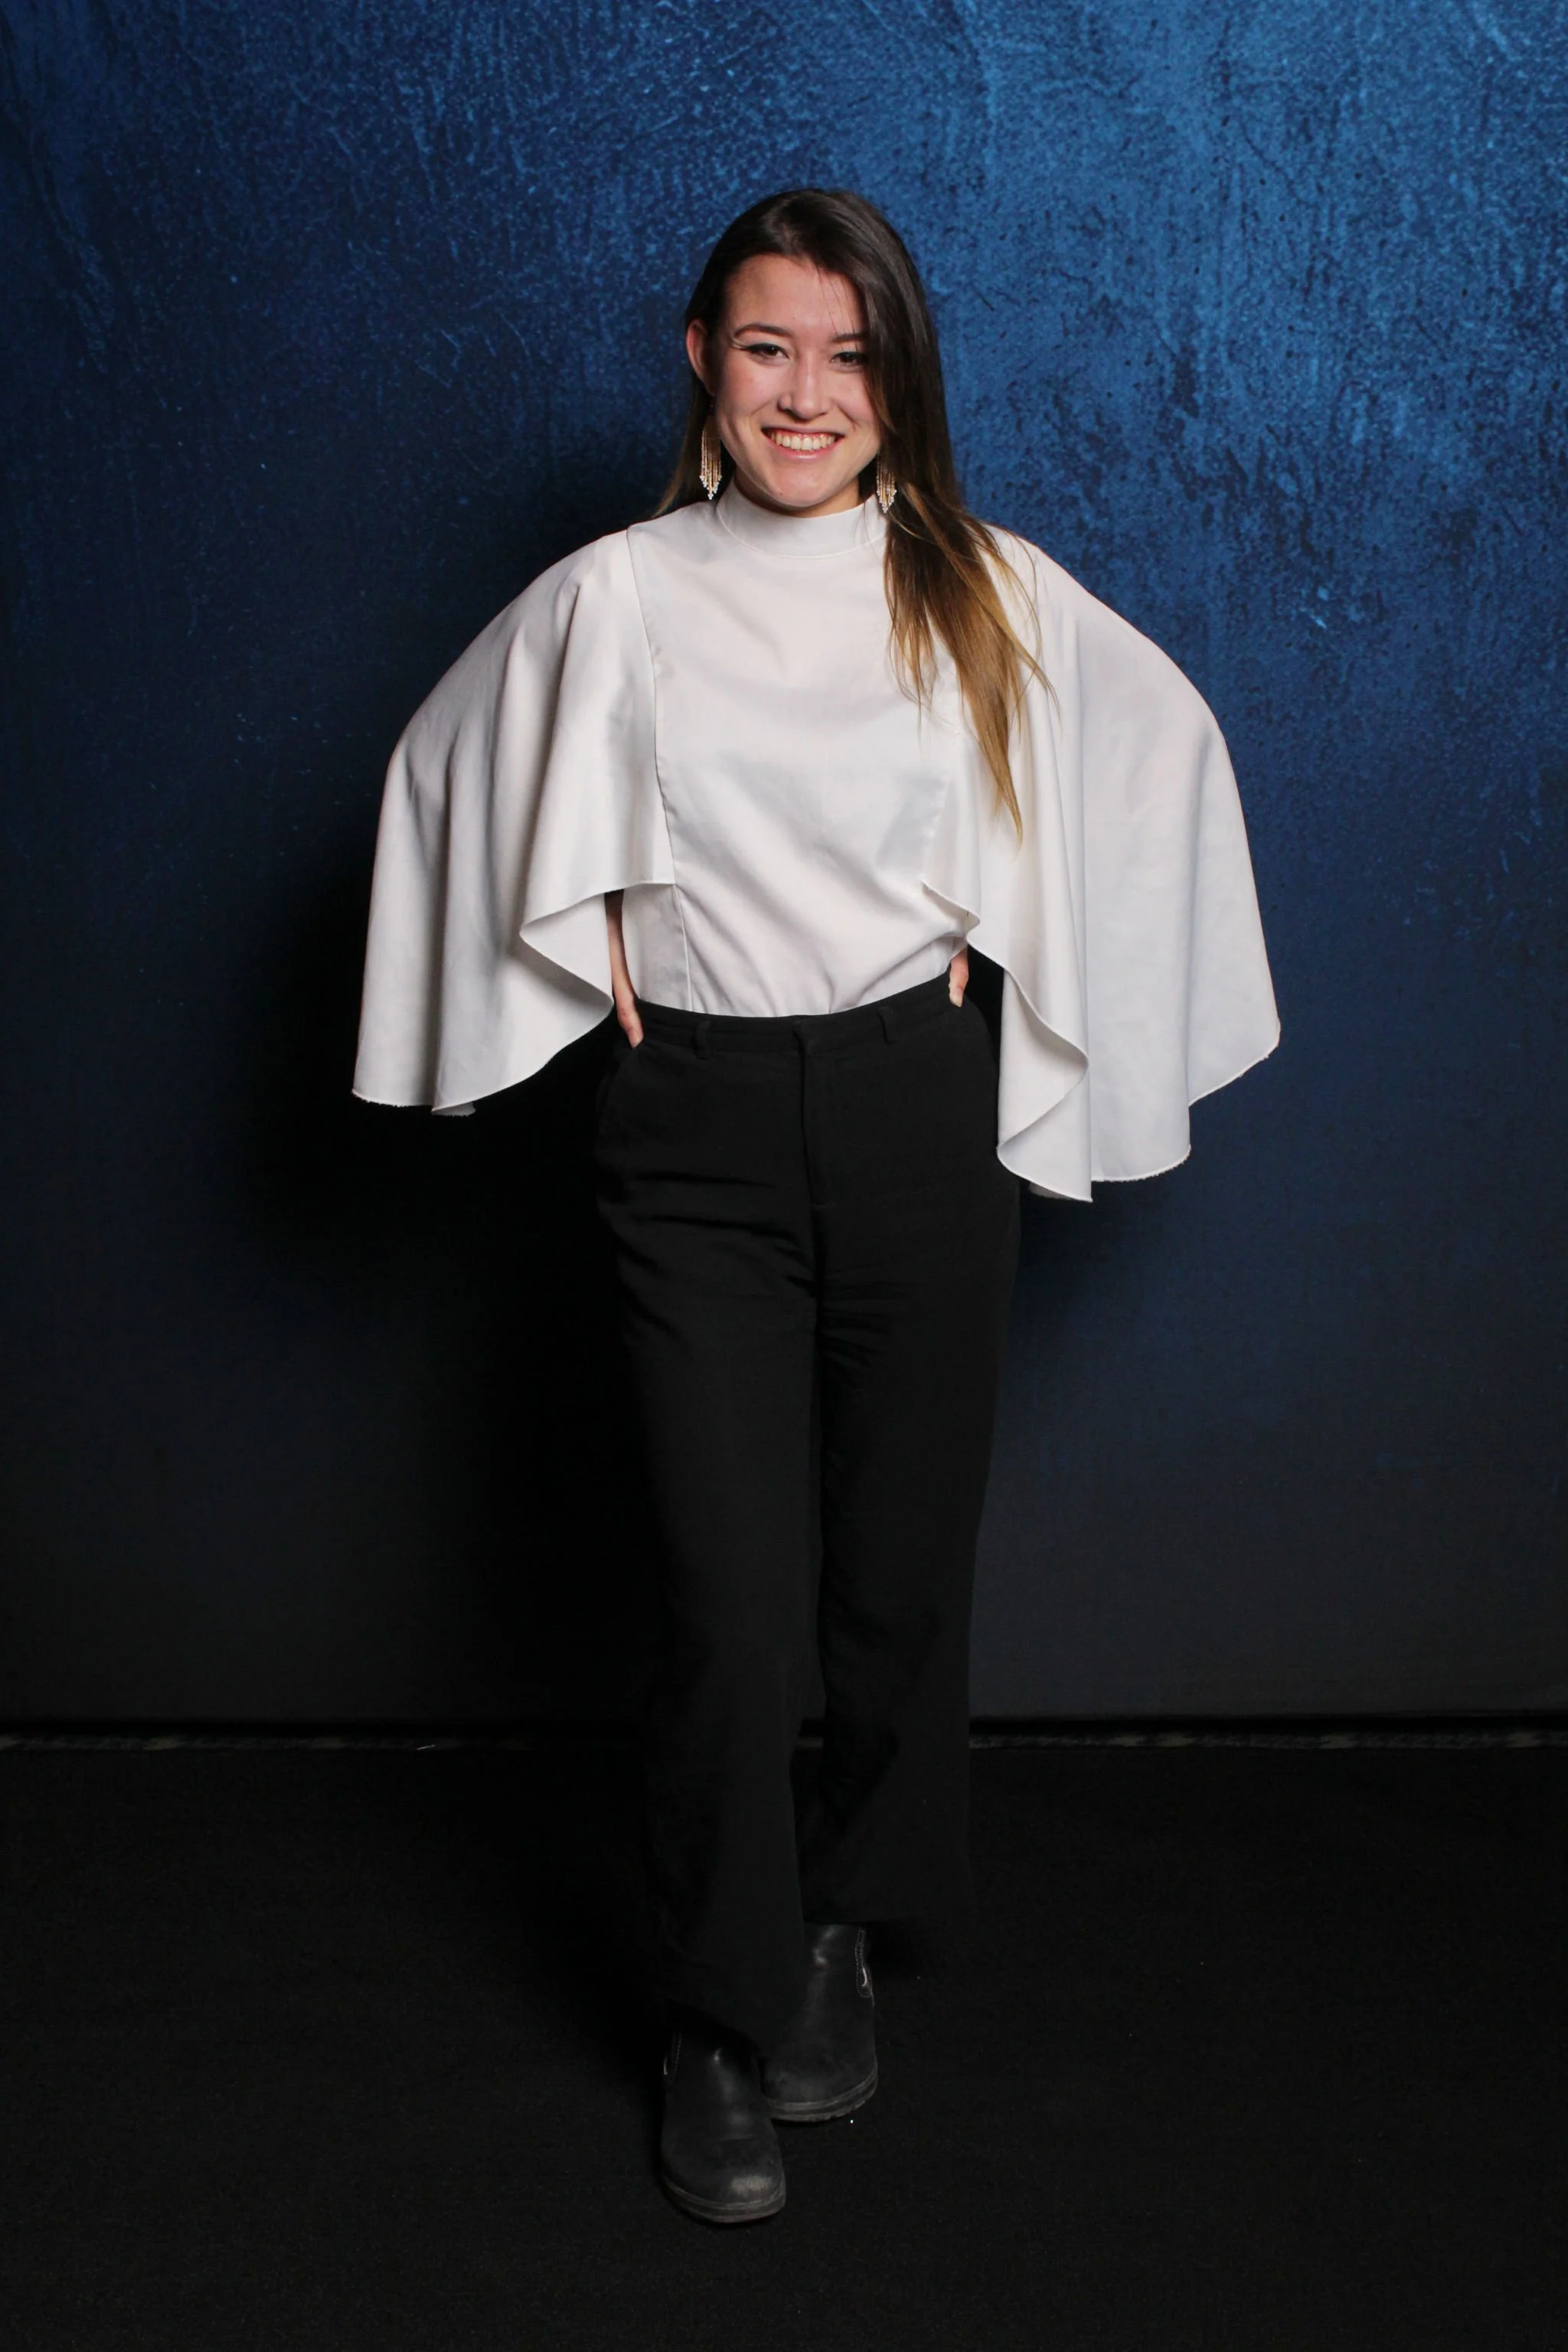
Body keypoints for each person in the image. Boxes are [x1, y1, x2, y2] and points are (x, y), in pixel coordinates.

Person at [354, 188, 1278, 2224]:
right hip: (686, 1127)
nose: (807, 394)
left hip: (912, 1105)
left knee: (895, 1578)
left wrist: (1013, 942)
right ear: (703, 356)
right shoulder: (617, 595)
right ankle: (716, 2010)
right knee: (723, 1601)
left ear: (899, 379)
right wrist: (573, 946)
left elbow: (1163, 752)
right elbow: (441, 775)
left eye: (850, 358)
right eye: (770, 348)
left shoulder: (973, 583)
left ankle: (846, 1918)